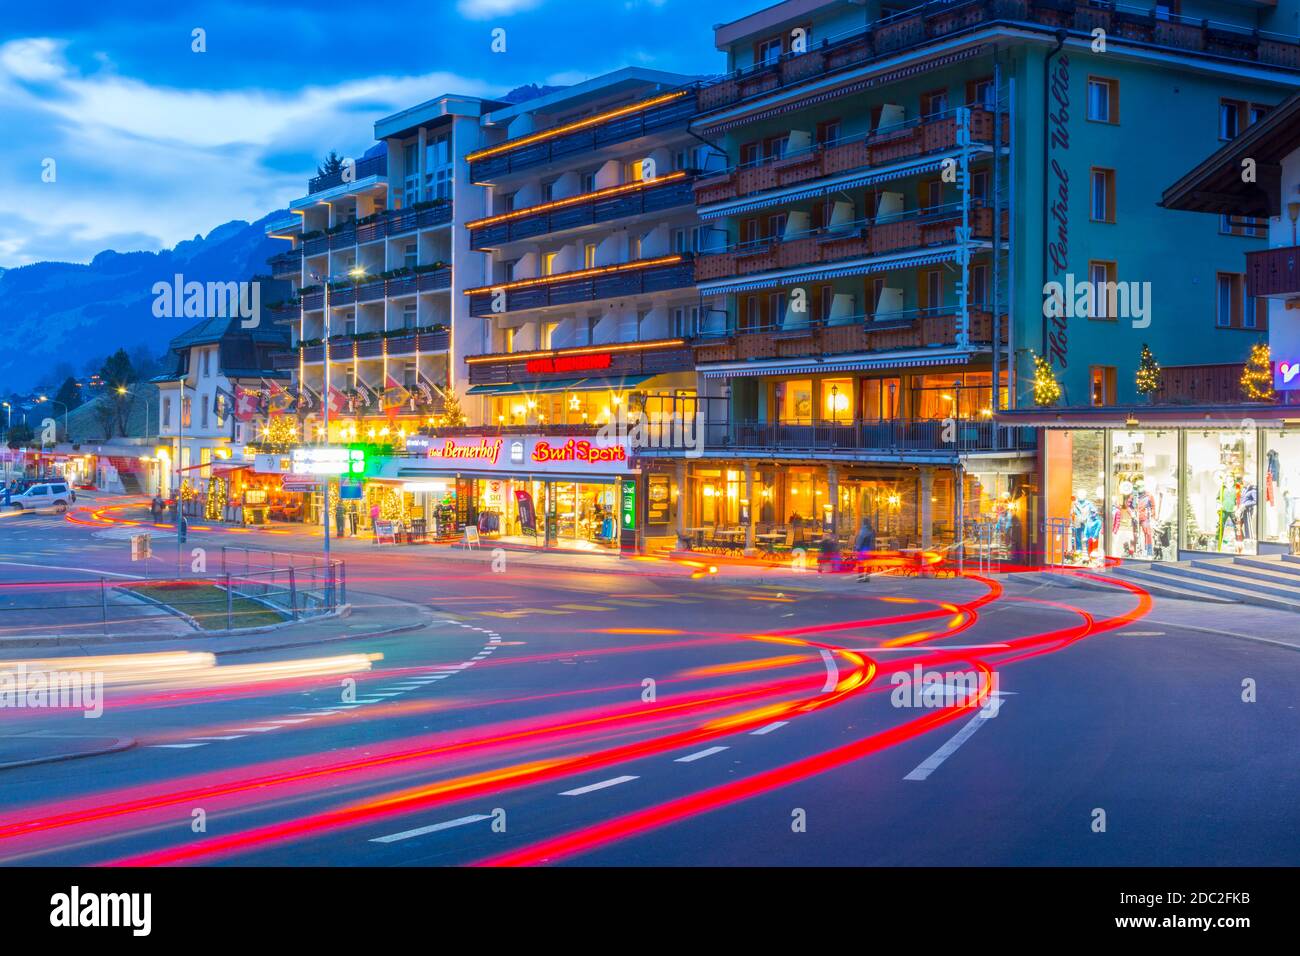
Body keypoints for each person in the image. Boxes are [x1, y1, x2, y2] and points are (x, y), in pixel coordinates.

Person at [853, 517, 876, 582]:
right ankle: (867, 577)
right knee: (869, 564)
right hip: (870, 549)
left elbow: (860, 540)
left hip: (863, 549)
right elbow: (873, 540)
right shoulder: (872, 530)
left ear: (863, 522)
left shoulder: (863, 530)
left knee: (861, 563)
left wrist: (857, 548)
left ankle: (861, 577)